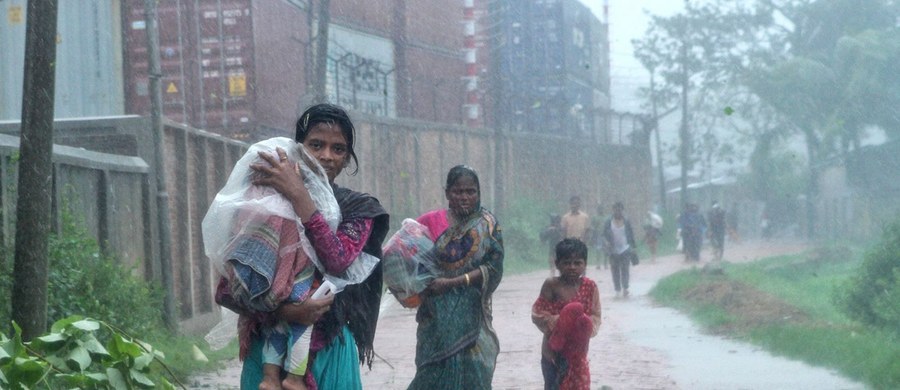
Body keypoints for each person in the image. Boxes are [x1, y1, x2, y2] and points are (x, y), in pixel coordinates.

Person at [213, 104, 390, 390]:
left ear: (347, 160)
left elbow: (337, 260)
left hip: (328, 350)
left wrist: (298, 194)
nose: (326, 156)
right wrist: (286, 312)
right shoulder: (265, 203)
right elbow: (228, 291)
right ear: (298, 148)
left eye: (338, 149)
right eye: (316, 145)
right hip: (268, 358)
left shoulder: (358, 209)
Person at [409, 165, 504, 389]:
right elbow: (407, 258)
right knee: (431, 374)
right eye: (458, 192)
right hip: (436, 318)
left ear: (479, 193)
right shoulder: (429, 222)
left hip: (474, 315)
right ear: (447, 193)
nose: (464, 197)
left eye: (470, 192)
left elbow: (494, 269)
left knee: (476, 370)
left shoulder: (488, 225)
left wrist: (453, 282)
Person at [532, 238, 602, 390]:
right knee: (553, 385)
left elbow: (596, 316)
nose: (572, 267)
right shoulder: (551, 285)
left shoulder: (590, 287)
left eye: (577, 263)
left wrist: (582, 324)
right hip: (552, 351)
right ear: (557, 264)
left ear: (585, 264)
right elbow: (537, 313)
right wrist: (561, 321)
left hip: (578, 351)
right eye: (567, 263)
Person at [602, 202, 636, 298]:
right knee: (615, 270)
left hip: (625, 249)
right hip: (613, 250)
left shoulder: (626, 221)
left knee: (625, 269)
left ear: (622, 210)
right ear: (613, 210)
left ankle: (625, 288)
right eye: (616, 209)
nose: (618, 211)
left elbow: (631, 234)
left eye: (620, 209)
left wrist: (633, 247)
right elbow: (603, 235)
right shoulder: (608, 221)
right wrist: (606, 242)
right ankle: (617, 290)